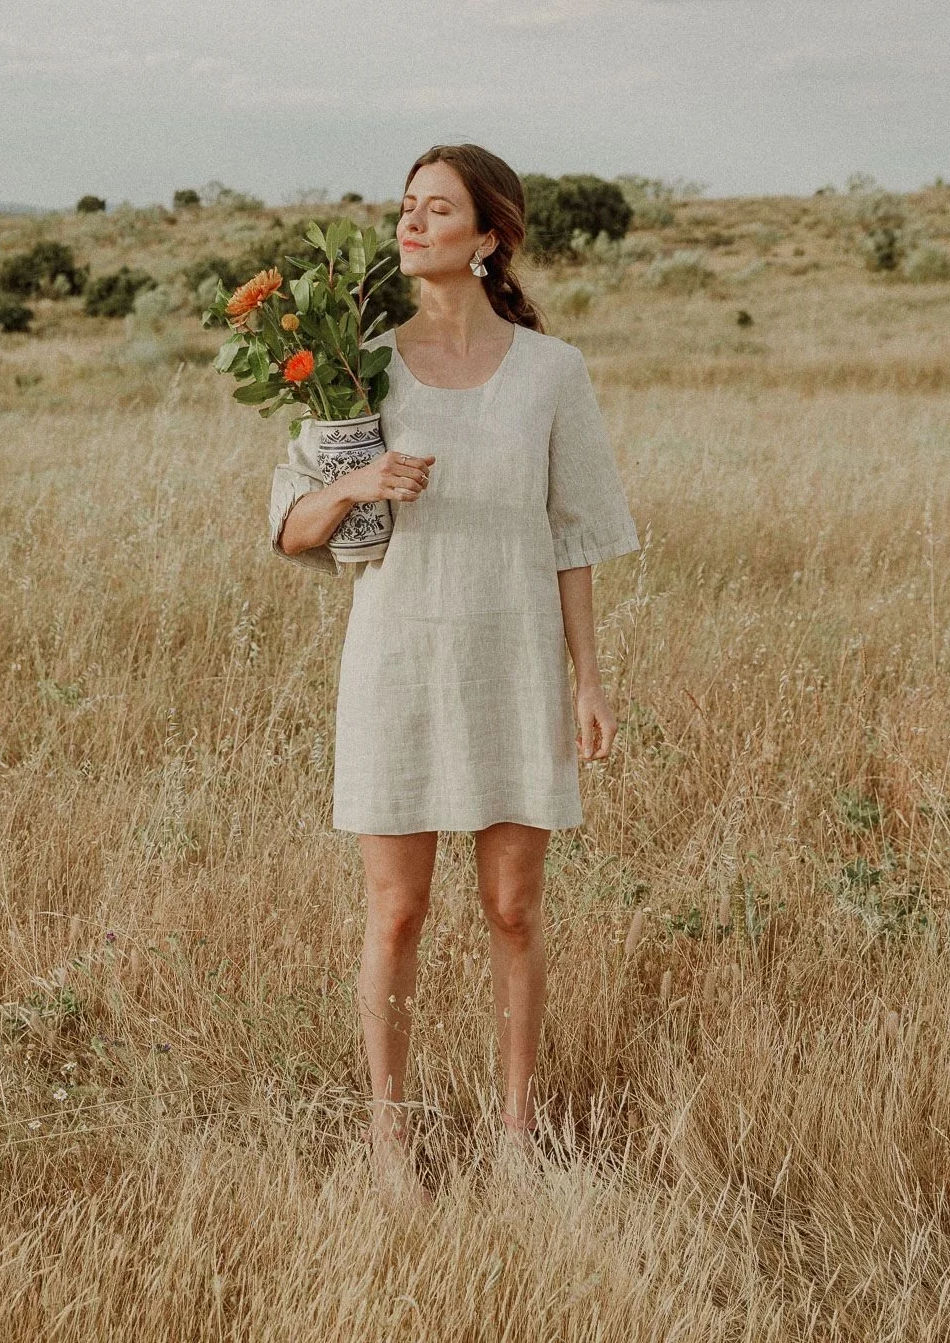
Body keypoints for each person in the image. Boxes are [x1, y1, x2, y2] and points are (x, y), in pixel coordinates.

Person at [268, 143, 640, 1198]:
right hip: (397, 658)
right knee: (395, 912)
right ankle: (389, 1143)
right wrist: (358, 484)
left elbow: (572, 534)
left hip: (514, 655)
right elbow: (291, 525)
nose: (411, 222)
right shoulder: (356, 365)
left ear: (487, 237)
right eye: (404, 206)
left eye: (437, 209)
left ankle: (515, 1135)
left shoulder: (551, 370)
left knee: (514, 907)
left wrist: (588, 679)